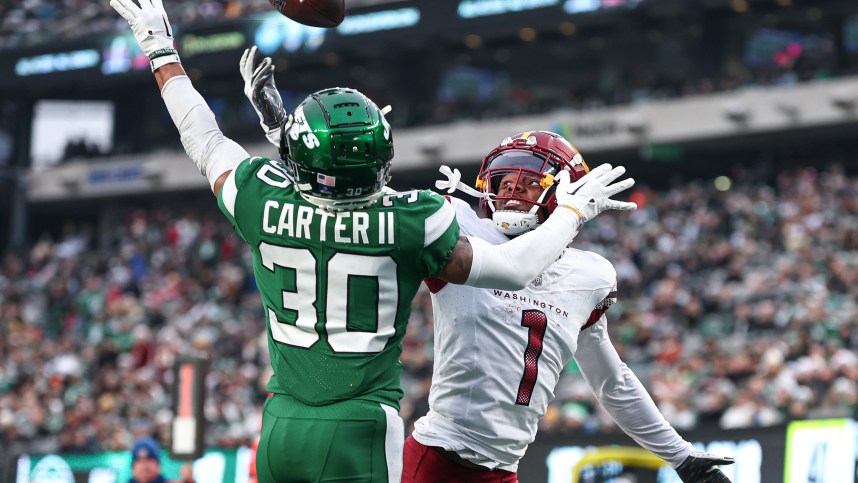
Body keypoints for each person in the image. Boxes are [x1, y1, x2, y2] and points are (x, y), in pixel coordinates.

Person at [109, 2, 637, 481]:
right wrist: (572, 209)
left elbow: (203, 137)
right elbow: (515, 268)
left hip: (281, 424)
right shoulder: (410, 221)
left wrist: (160, 47)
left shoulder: (260, 198)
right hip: (360, 428)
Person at [404, 131, 734, 483]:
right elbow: (513, 267)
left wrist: (681, 456)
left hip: (502, 470)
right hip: (438, 459)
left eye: (531, 182)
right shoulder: (461, 228)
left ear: (568, 192)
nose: (513, 191)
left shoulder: (589, 275)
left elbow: (612, 381)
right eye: (504, 181)